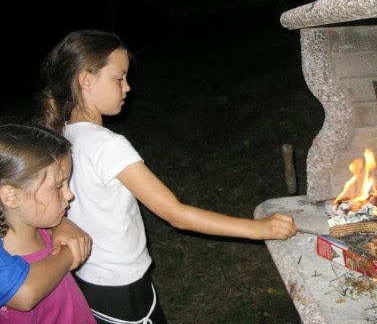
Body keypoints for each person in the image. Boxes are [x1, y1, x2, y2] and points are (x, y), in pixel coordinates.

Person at [35, 29, 298, 324]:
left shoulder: (60, 135)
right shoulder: (107, 146)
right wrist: (258, 229)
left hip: (88, 280)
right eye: (119, 78)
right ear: (86, 80)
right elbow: (176, 214)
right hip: (121, 286)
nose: (127, 88)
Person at [0, 123, 96, 323]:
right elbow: (25, 294)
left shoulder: (44, 232)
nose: (69, 195)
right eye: (58, 186)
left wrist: (61, 224)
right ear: (11, 196)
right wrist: (68, 254)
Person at [0, 217, 91, 310]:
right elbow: (22, 293)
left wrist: (60, 223)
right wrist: (70, 250)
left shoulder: (40, 232)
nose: (68, 201)